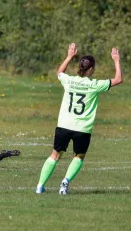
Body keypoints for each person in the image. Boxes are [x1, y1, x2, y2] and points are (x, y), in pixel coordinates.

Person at [36, 43, 123, 195]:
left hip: (64, 125)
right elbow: (118, 79)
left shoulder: (68, 81)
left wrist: (69, 56)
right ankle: (65, 182)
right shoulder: (95, 84)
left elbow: (59, 72)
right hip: (82, 128)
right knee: (78, 156)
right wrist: (116, 60)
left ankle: (40, 186)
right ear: (91, 69)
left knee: (55, 155)